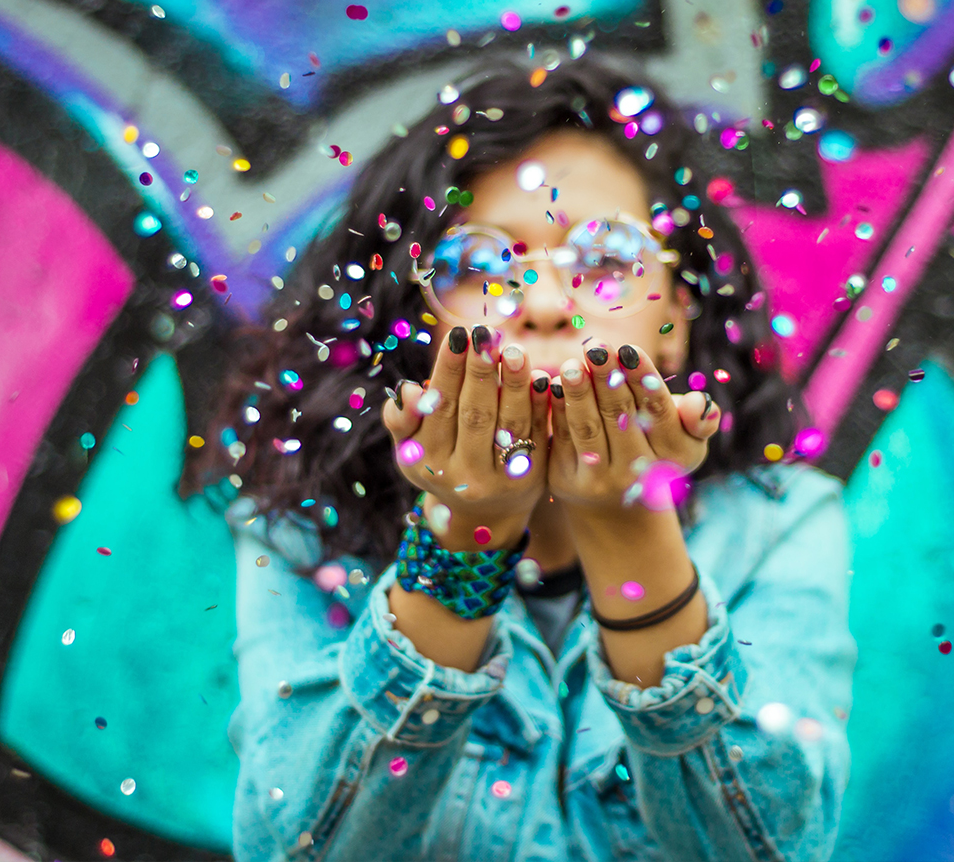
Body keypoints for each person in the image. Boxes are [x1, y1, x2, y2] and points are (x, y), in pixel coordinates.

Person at [186, 54, 856, 862]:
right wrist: (463, 538)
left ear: (678, 313)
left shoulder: (779, 525)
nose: (541, 305)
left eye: (605, 262)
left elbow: (773, 850)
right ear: (419, 320)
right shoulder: (303, 533)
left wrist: (626, 526)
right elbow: (295, 849)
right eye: (480, 267)